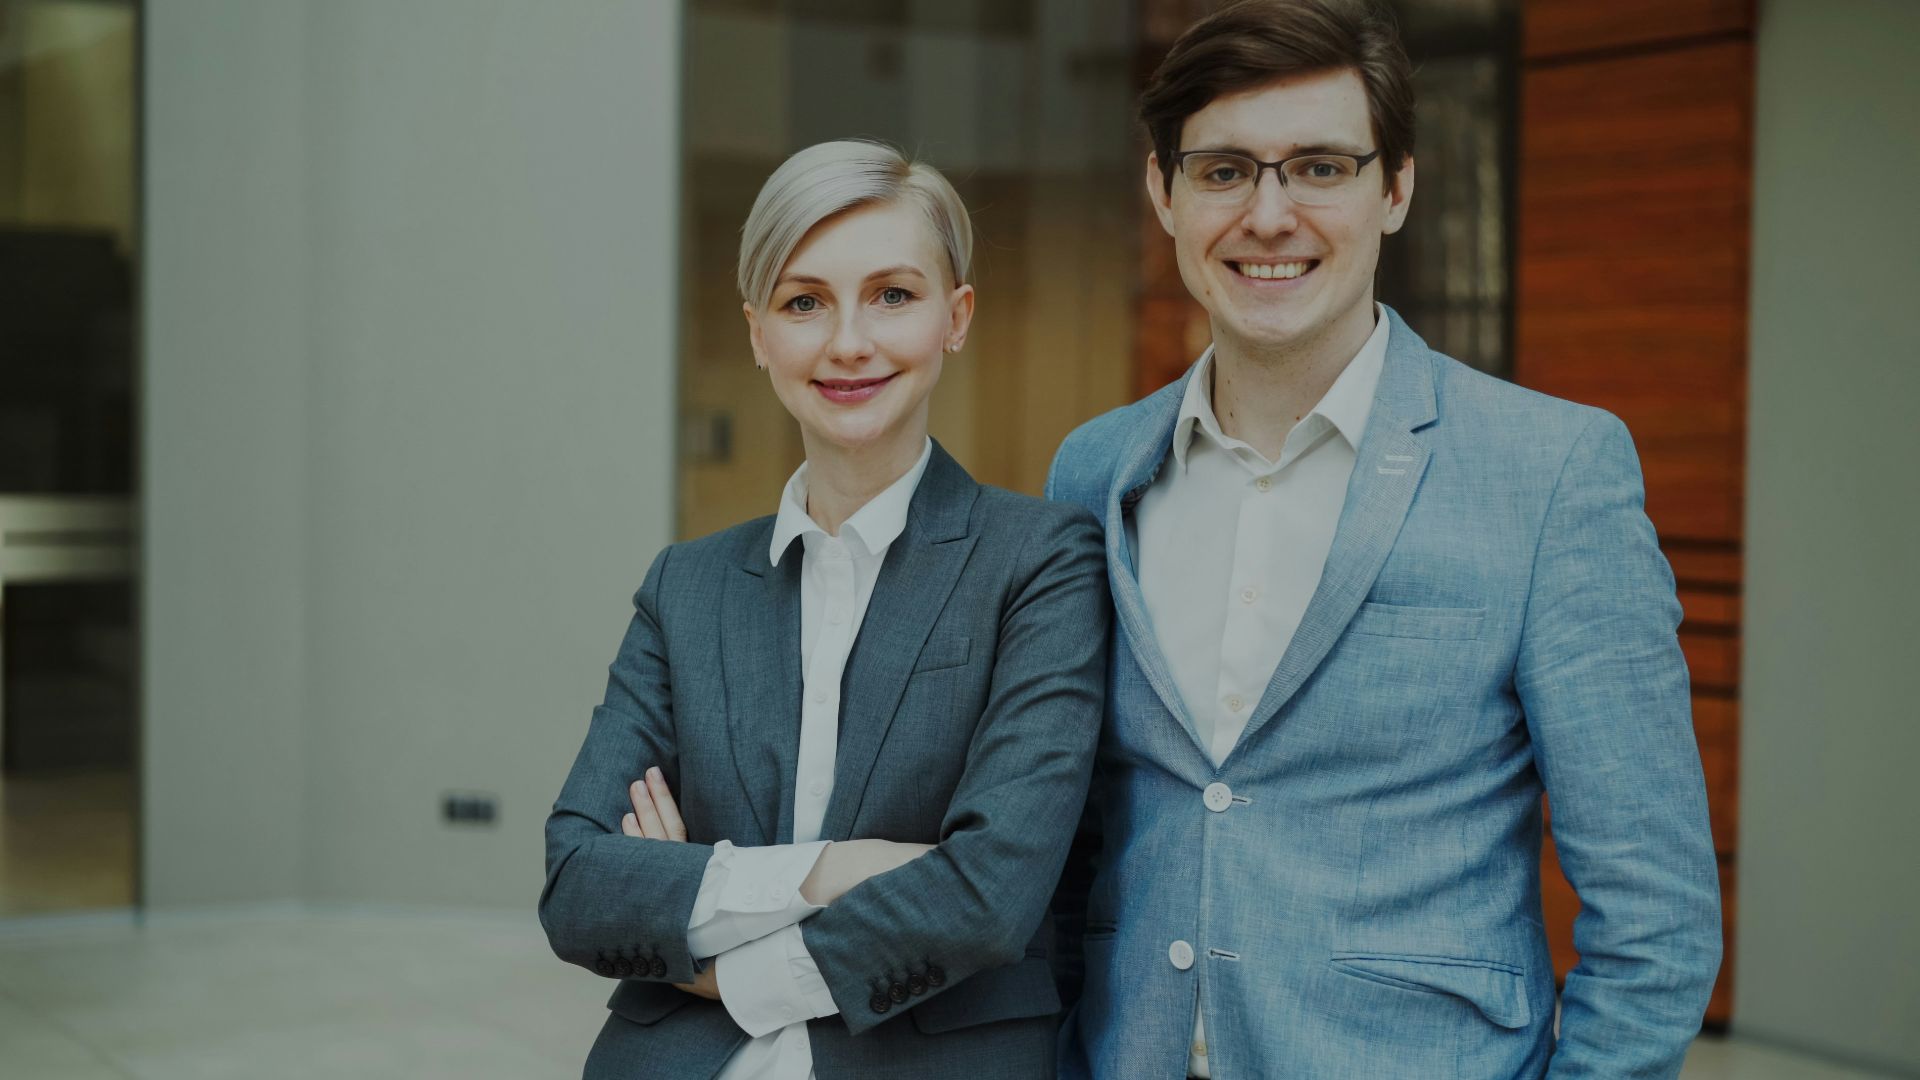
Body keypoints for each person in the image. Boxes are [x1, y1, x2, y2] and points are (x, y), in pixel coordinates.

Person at [1046, 1, 1721, 1076]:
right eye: (1224, 172)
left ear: (1396, 188)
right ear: (1162, 193)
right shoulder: (1094, 470)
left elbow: (1657, 914)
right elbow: (1071, 836)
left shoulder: (1550, 472)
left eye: (1319, 167)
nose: (1269, 216)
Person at [540, 139, 1108, 1079]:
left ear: (955, 317)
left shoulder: (1039, 563)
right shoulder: (687, 586)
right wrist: (831, 872)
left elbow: (989, 893)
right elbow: (578, 883)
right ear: (761, 332)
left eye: (893, 294)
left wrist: (720, 952)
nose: (849, 341)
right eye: (805, 302)